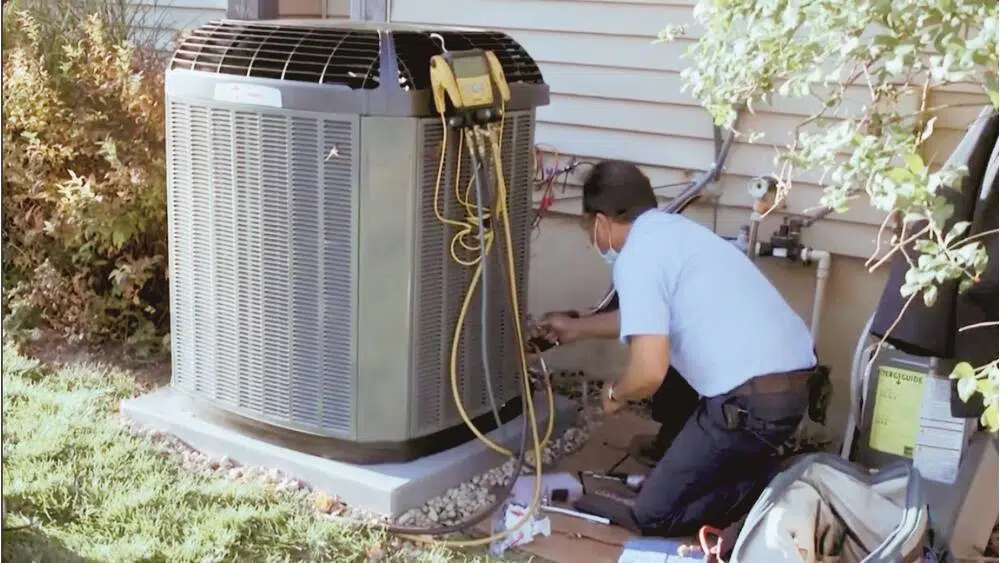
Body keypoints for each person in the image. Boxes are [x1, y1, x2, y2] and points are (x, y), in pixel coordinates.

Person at [537, 160, 818, 538]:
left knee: (653, 515)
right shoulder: (674, 233)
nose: (592, 240)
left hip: (751, 407)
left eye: (589, 229)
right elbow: (648, 317)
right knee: (678, 380)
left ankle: (779, 483)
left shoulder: (636, 257)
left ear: (601, 221)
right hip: (787, 388)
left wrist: (615, 393)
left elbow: (649, 373)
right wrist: (576, 328)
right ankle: (720, 462)